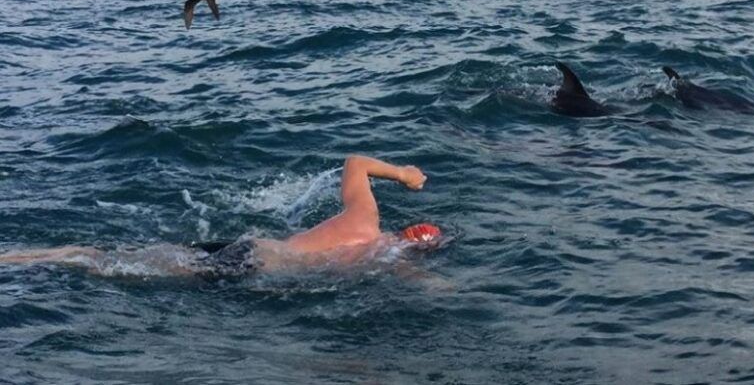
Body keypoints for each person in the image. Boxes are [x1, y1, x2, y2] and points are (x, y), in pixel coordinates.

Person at [0, 155, 443, 277]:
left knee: (118, 255)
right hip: (247, 267)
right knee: (116, 267)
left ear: (404, 229)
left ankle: (22, 257)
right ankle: (26, 261)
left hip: (250, 246)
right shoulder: (386, 259)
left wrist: (403, 174)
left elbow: (355, 162)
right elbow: (433, 289)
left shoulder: (363, 219)